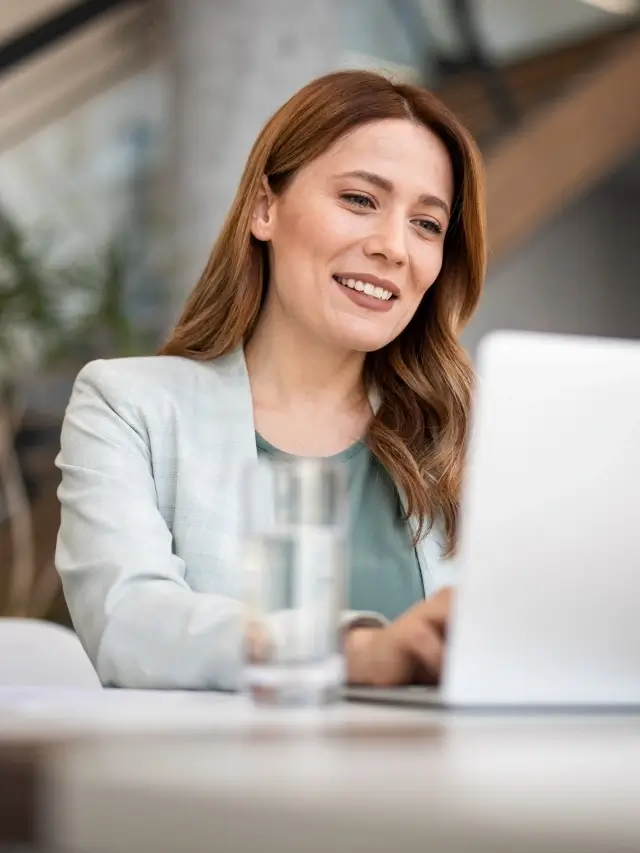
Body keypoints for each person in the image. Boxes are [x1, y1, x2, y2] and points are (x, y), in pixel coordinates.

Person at [55, 70, 486, 690]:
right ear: (264, 207)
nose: (394, 247)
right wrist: (353, 652)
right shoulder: (128, 405)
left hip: (446, 783)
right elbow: (129, 623)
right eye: (360, 200)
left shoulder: (469, 436)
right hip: (229, 784)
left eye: (427, 224)